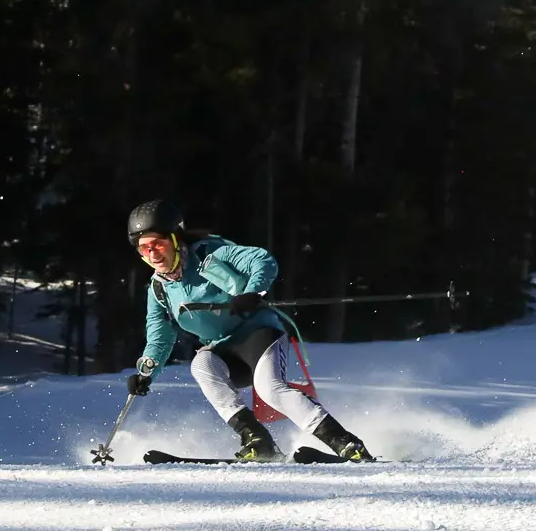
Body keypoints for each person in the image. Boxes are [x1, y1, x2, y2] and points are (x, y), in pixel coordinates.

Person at [123, 198, 372, 462]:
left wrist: (253, 291)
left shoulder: (210, 253)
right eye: (144, 248)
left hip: (258, 333)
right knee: (201, 364)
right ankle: (258, 441)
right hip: (224, 348)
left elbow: (262, 260)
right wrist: (146, 372)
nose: (152, 254)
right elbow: (160, 337)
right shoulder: (159, 289)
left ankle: (346, 443)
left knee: (270, 389)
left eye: (158, 244)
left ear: (175, 239)